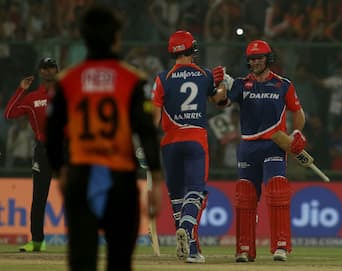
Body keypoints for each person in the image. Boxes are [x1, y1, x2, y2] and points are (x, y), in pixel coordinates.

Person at [45, 5, 163, 271]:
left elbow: (51, 134)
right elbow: (146, 131)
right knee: (120, 262)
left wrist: (58, 170)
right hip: (120, 180)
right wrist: (156, 179)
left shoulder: (68, 80)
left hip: (81, 176)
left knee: (81, 261)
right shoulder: (132, 79)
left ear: (83, 37)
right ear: (116, 38)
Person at [213, 40, 307, 262]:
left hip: (274, 144)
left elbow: (298, 112)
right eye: (252, 59)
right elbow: (221, 102)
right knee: (245, 196)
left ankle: (281, 246)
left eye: (259, 58)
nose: (255, 62)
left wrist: (297, 133)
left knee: (277, 192)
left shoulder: (283, 84)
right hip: (248, 146)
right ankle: (244, 248)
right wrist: (219, 85)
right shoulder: (241, 84)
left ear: (268, 59)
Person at [151, 30, 228, 264]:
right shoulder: (204, 75)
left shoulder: (162, 78)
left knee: (176, 196)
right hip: (196, 139)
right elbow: (221, 102)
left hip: (170, 142)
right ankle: (186, 228)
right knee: (195, 191)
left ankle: (191, 251)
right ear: (191, 49)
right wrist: (221, 83)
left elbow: (154, 119)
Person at [4, 56, 58, 252]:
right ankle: (37, 241)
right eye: (45, 68)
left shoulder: (65, 94)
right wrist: (21, 90)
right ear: (40, 72)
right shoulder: (33, 98)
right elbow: (9, 114)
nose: (49, 70)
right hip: (43, 151)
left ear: (56, 71)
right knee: (39, 197)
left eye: (52, 67)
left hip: (66, 148)